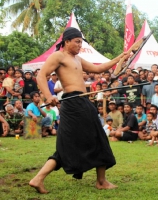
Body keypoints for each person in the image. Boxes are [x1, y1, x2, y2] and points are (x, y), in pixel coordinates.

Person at [29, 27, 130, 193]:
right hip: (73, 103)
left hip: (83, 103)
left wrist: (121, 57)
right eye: (77, 42)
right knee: (84, 141)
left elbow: (99, 68)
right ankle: (100, 181)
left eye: (81, 42)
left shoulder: (77, 59)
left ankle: (100, 180)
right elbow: (41, 75)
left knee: (89, 140)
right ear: (66, 41)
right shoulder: (58, 56)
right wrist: (48, 96)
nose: (79, 45)